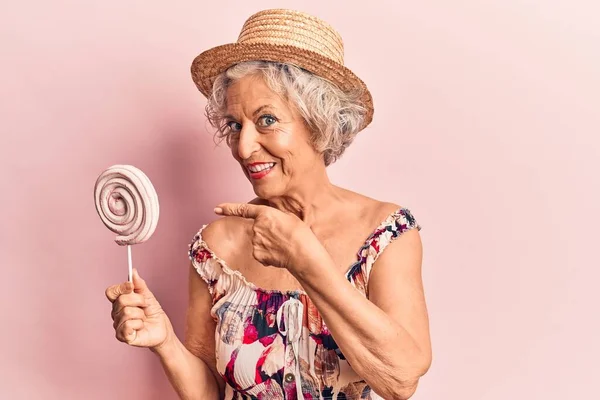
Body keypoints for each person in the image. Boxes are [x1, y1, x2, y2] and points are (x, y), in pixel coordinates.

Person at [105, 9, 431, 400]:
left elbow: (400, 381)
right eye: (234, 126)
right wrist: (164, 343)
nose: (243, 148)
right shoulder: (215, 247)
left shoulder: (386, 233)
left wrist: (306, 263)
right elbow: (209, 392)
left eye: (266, 120)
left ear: (319, 123)